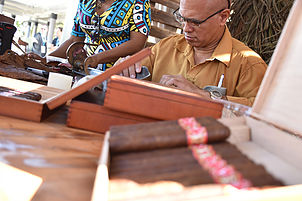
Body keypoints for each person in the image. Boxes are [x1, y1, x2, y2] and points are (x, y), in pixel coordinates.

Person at [120, 0, 267, 106]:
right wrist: (123, 69)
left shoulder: (249, 65)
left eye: (195, 22)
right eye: (182, 19)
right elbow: (128, 77)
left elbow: (261, 115)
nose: (186, 29)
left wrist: (206, 97)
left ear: (223, 17)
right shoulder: (167, 46)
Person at [46, 0, 151, 71]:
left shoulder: (138, 2)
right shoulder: (85, 2)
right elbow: (74, 39)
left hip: (118, 73)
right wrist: (46, 59)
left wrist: (97, 58)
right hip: (85, 73)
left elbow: (137, 43)